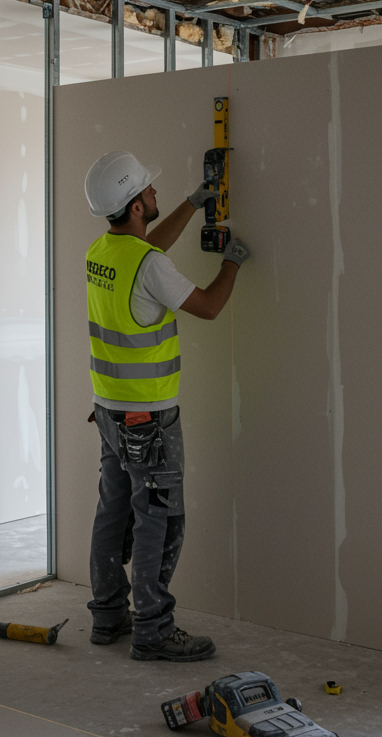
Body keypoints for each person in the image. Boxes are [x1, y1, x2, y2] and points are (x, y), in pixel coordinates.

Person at [82, 151, 249, 662]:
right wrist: (233, 262)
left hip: (109, 412)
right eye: (150, 190)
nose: (157, 192)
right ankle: (153, 628)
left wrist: (192, 205)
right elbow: (209, 306)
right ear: (135, 205)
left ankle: (109, 616)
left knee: (114, 512)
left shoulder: (103, 251)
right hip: (148, 417)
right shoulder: (150, 265)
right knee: (160, 518)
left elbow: (148, 251)